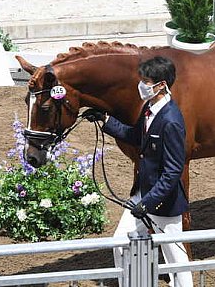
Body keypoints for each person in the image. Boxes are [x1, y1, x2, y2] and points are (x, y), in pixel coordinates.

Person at [83, 56, 193, 287]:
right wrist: (105, 119)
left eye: (145, 81)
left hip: (164, 202)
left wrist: (150, 201)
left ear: (161, 85)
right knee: (121, 242)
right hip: (143, 194)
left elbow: (173, 171)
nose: (141, 86)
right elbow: (136, 137)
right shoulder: (149, 109)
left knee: (176, 259)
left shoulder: (171, 120)